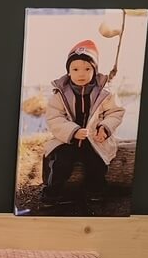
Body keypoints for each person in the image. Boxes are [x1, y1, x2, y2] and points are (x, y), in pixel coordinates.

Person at [42, 39, 125, 205]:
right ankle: (51, 194)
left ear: (95, 70)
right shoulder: (60, 93)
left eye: (87, 69)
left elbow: (115, 112)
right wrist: (73, 131)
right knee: (61, 163)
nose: (81, 74)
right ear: (68, 71)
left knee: (97, 164)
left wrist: (104, 128)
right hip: (67, 139)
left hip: (94, 138)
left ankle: (95, 192)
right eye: (75, 69)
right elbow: (54, 118)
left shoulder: (104, 92)